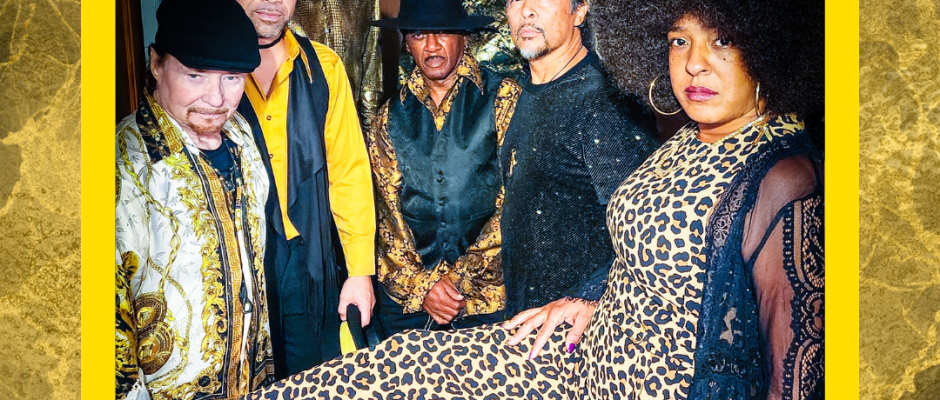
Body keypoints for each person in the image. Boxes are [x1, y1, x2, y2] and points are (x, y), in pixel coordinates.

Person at [244, 0, 825, 397]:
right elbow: (642, 253)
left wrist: (577, 295)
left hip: (604, 371)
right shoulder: (683, 142)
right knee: (376, 367)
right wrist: (590, 299)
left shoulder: (780, 174)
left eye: (722, 41)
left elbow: (795, 354)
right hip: (562, 341)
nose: (695, 62)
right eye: (679, 41)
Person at [115, 0, 273, 398]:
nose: (216, 99)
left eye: (232, 78)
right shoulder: (121, 164)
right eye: (195, 75)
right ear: (157, 64)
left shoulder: (241, 134)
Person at [235, 0, 377, 378]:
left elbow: (348, 172)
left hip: (306, 264)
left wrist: (359, 271)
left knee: (312, 378)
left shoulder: (323, 68)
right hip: (235, 267)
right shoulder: (209, 72)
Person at [368, 0, 521, 334]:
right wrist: (424, 288)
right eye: (419, 34)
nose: (432, 46)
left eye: (444, 32)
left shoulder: (504, 98)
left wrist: (455, 281)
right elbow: (386, 216)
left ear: (464, 37)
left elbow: (517, 202)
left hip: (489, 300)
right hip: (413, 304)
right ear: (406, 43)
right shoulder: (389, 116)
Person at [291, 0, 384, 126]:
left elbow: (371, 66)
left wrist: (368, 129)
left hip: (348, 118)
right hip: (297, 119)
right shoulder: (285, 5)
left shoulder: (368, 2)